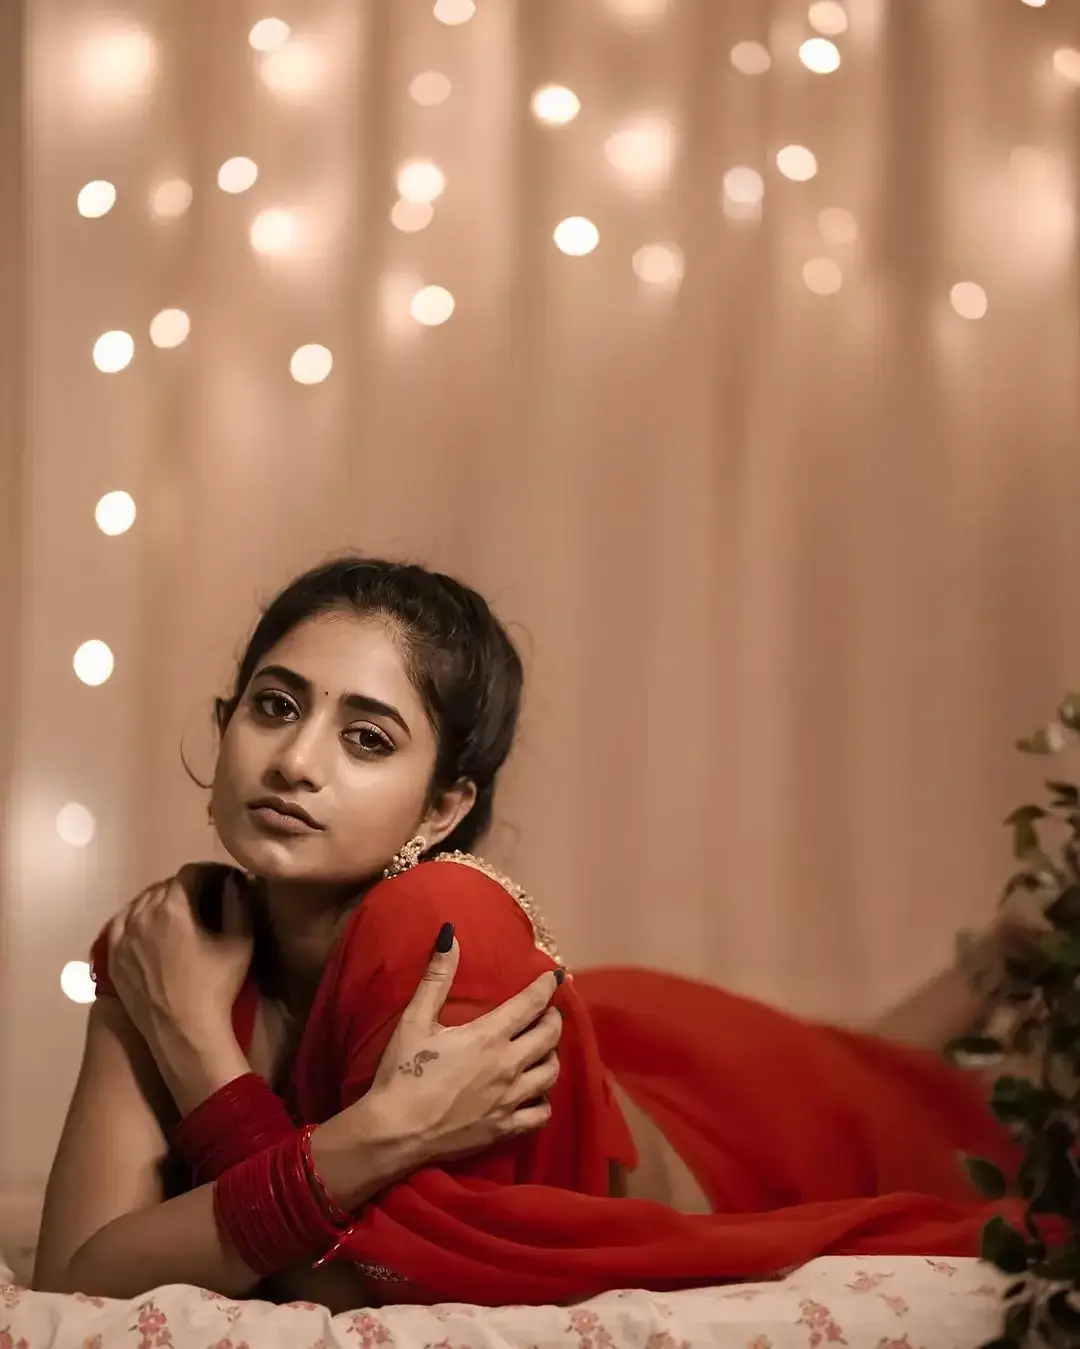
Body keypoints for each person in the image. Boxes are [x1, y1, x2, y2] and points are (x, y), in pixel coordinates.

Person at [34, 557, 1029, 1309]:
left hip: (730, 1138)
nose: (296, 759)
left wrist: (201, 1058)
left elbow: (365, 1285)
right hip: (649, 1040)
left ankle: (1008, 955)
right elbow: (77, 1276)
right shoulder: (173, 942)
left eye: (367, 736)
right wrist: (369, 1136)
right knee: (864, 1057)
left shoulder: (437, 920)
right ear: (226, 726)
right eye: (275, 705)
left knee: (942, 1113)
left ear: (441, 807)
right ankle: (999, 959)